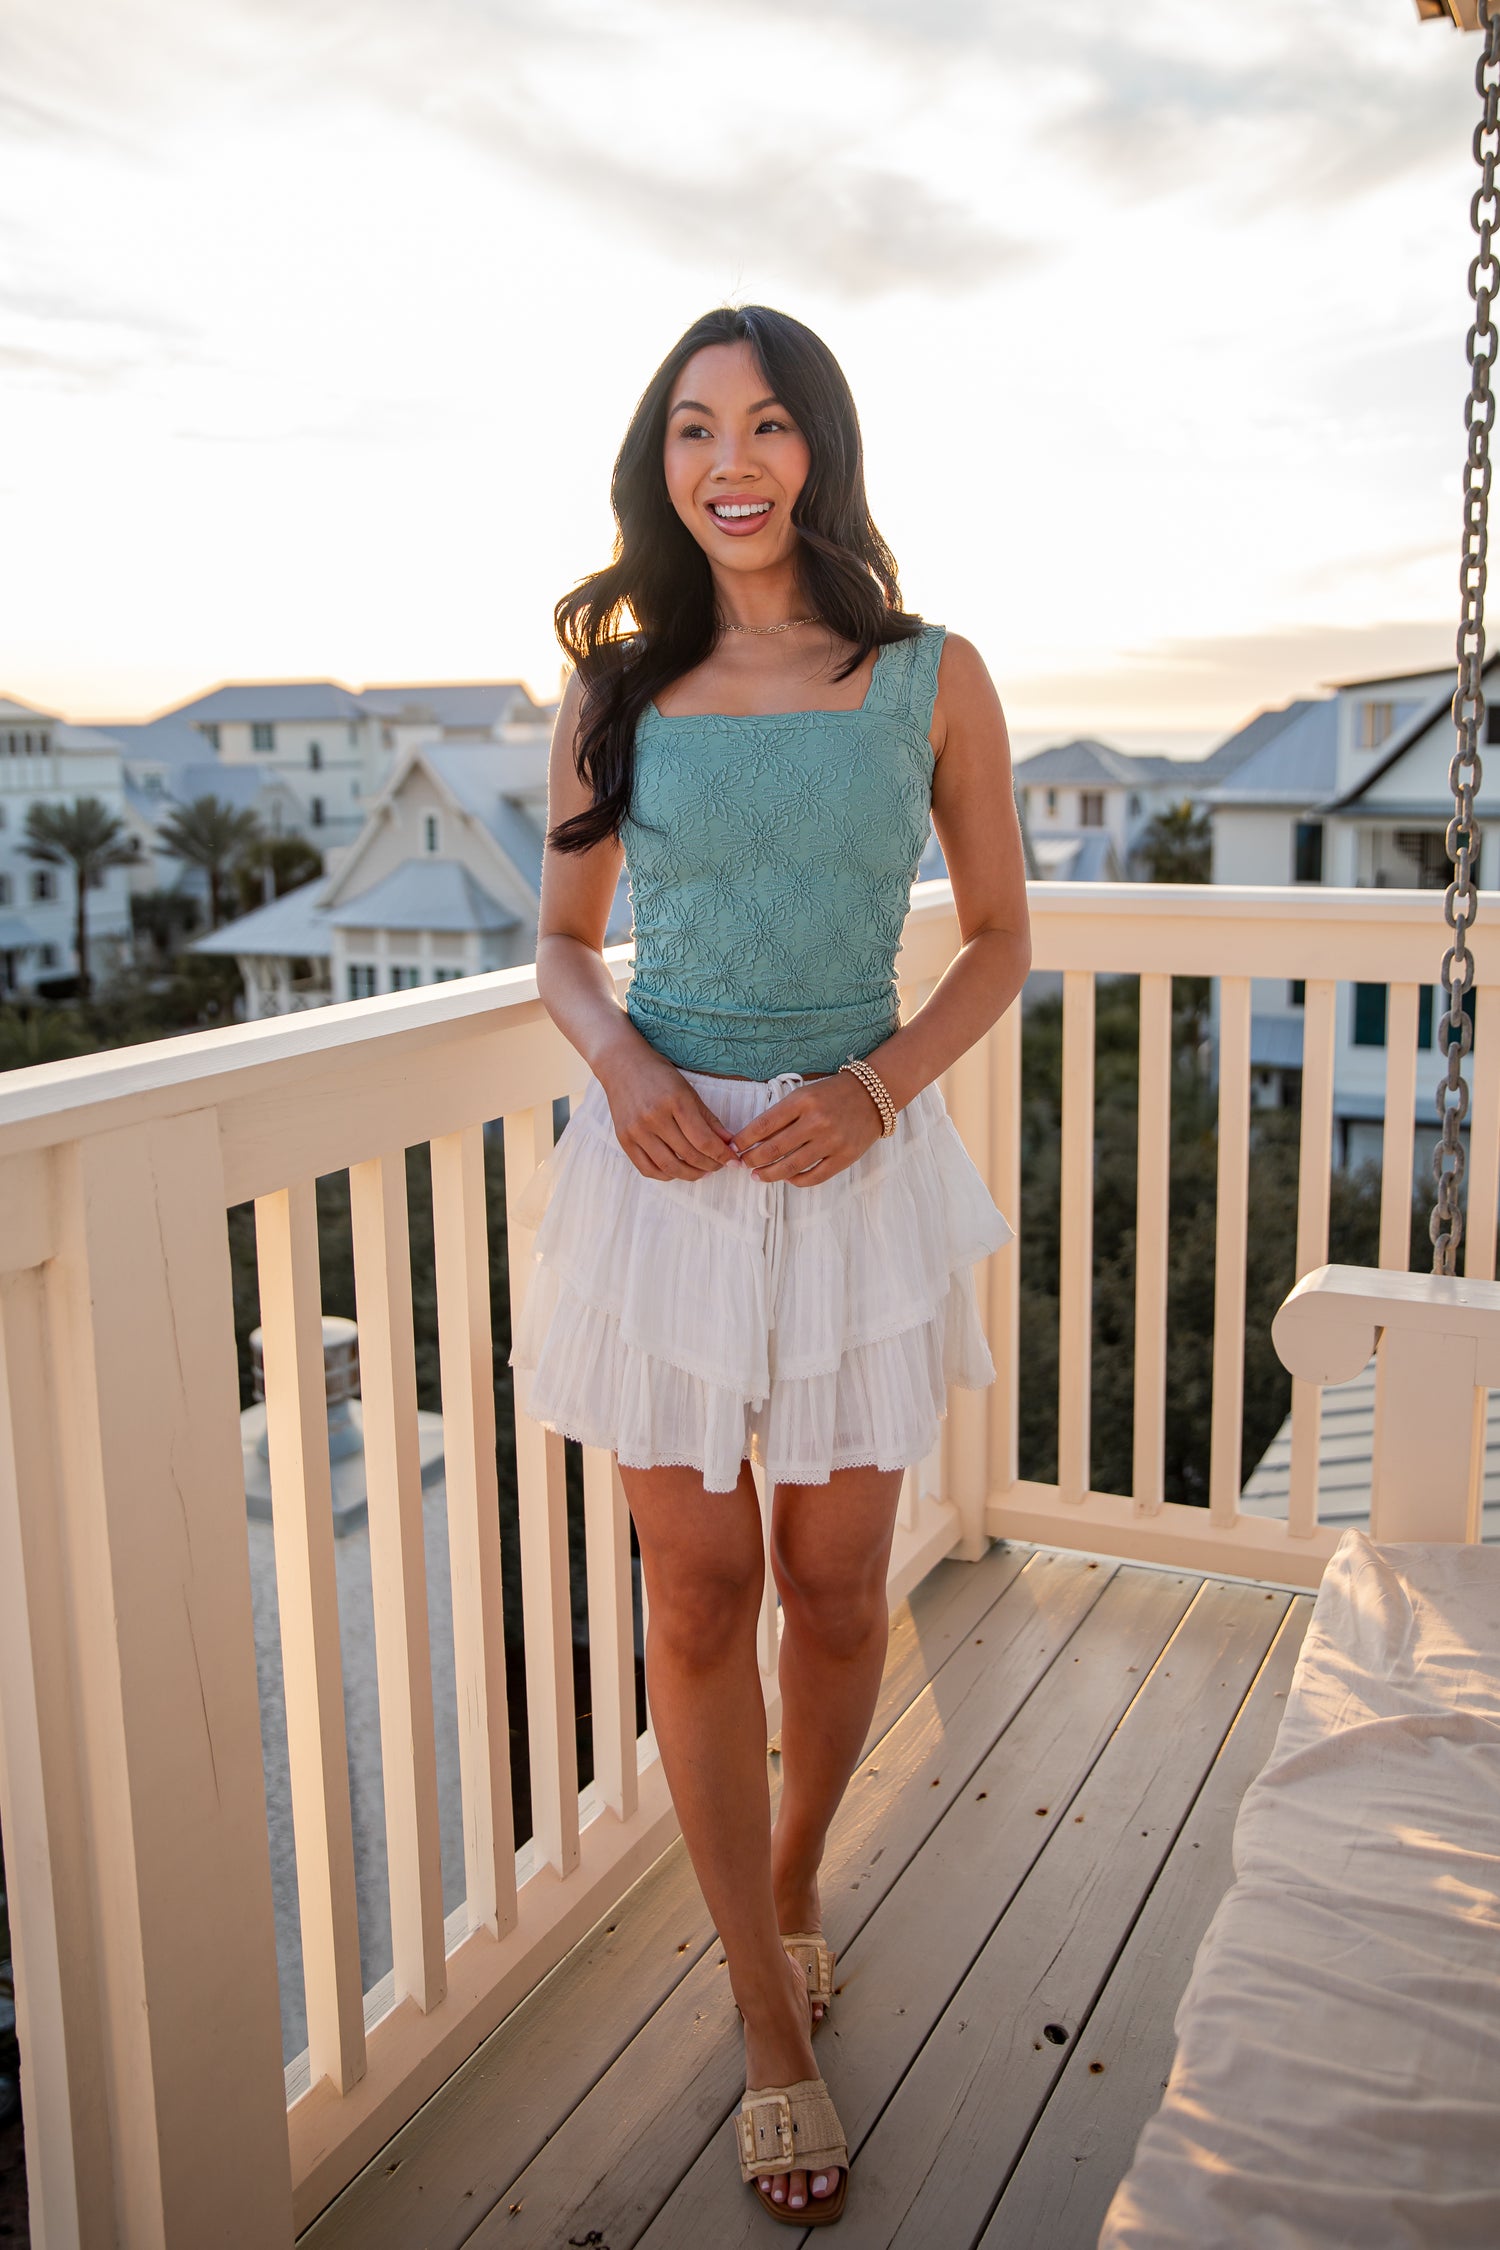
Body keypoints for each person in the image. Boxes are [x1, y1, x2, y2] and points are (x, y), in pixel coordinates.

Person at [509, 302, 1030, 2226]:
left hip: (850, 1171)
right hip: (662, 1177)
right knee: (701, 1584)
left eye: (770, 423)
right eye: (694, 430)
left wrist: (882, 1091)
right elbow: (564, 943)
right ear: (662, 464)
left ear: (822, 448)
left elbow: (996, 941)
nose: (732, 461)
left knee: (831, 1584)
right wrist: (627, 1060)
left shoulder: (932, 675)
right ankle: (762, 2007)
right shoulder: (611, 691)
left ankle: (798, 1868)